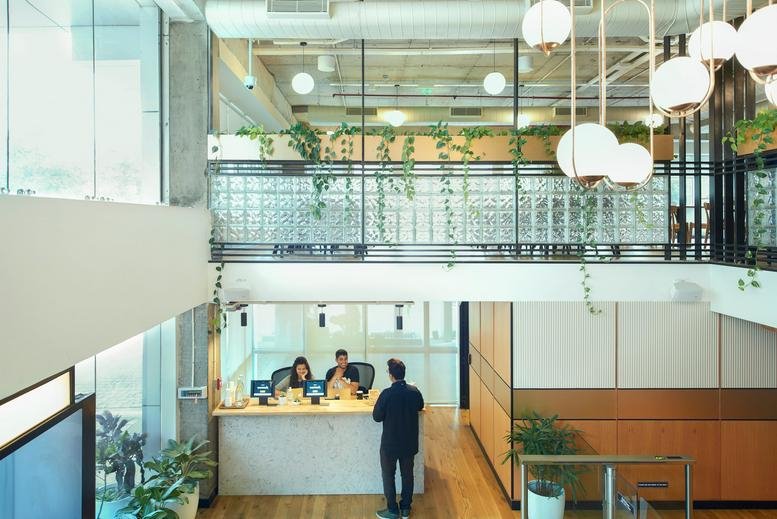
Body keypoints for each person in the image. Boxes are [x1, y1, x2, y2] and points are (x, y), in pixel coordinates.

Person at [372, 358, 424, 519]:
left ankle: (392, 510)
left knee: (389, 475)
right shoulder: (414, 391)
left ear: (391, 375)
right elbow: (420, 406)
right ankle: (406, 508)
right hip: (409, 443)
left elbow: (377, 417)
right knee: (407, 475)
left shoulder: (386, 394)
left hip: (390, 444)